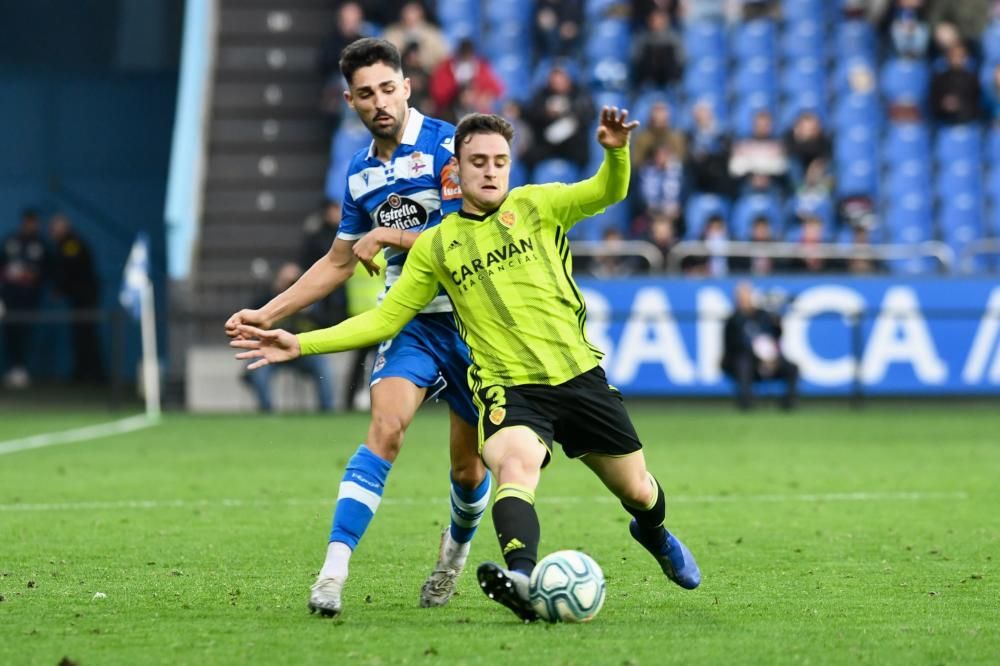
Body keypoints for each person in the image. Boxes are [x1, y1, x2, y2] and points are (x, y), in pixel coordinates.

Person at [232, 109, 702, 622]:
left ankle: (655, 534)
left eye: (500, 161)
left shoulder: (538, 205)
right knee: (514, 467)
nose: (490, 170)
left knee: (638, 490)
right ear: (456, 169)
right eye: (478, 161)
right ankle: (523, 581)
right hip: (508, 389)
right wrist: (300, 344)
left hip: (578, 377)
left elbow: (608, 191)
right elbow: (386, 319)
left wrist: (616, 152)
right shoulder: (437, 246)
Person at [224, 38, 490, 618]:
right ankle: (332, 572)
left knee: (468, 470)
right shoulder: (359, 171)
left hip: (473, 324)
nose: (379, 102)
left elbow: (461, 240)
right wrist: (269, 312)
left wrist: (388, 234)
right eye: (366, 94)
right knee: (385, 430)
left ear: (407, 87)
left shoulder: (449, 145)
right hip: (411, 324)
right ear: (350, 101)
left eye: (388, 89)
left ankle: (453, 555)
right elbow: (338, 261)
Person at [243, 262, 334, 412]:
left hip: (303, 351)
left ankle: (327, 411)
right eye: (286, 282)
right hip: (271, 350)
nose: (290, 286)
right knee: (258, 370)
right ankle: (267, 412)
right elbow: (251, 323)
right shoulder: (266, 300)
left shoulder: (312, 301)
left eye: (295, 282)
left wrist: (309, 310)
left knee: (323, 366)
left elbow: (327, 325)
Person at [721, 281, 799, 410]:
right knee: (743, 363)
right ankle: (746, 402)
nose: (744, 300)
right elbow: (732, 346)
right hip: (746, 360)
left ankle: (788, 402)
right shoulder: (733, 320)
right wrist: (757, 356)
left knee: (792, 368)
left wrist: (771, 357)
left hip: (769, 357)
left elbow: (776, 336)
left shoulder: (763, 315)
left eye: (746, 296)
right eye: (740, 297)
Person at [49, 213, 105, 383]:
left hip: (85, 296)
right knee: (81, 335)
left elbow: (72, 269)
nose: (52, 233)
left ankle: (94, 374)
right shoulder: (65, 244)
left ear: (63, 228)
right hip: (79, 296)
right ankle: (83, 371)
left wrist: (60, 289)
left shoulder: (71, 244)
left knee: (86, 334)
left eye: (54, 229)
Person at [1, 208, 50, 388]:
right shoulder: (11, 240)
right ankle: (13, 369)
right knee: (10, 332)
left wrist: (31, 276)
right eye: (28, 222)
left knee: (25, 332)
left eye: (33, 222)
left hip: (28, 298)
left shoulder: (41, 244)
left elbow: (46, 270)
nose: (30, 225)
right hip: (9, 296)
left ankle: (22, 369)